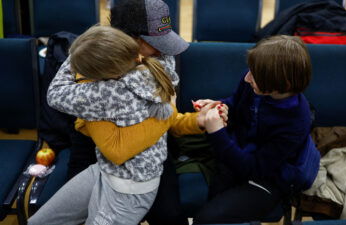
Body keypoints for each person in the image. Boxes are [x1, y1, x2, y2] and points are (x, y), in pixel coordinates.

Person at [28, 25, 226, 225]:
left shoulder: (103, 93)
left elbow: (56, 95)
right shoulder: (155, 68)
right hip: (105, 170)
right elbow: (161, 121)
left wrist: (78, 55)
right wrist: (193, 119)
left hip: (129, 188)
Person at [52, 0, 196, 224]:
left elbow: (118, 148)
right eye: (153, 41)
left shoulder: (161, 57)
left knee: (169, 215)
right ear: (127, 39)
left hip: (149, 150)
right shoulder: (96, 50)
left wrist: (90, 107)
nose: (162, 48)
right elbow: (56, 95)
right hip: (93, 151)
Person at [192, 35, 321, 224]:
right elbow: (236, 103)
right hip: (237, 155)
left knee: (207, 219)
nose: (247, 77)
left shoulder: (296, 121)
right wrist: (219, 106)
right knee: (210, 206)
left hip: (267, 179)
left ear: (282, 85)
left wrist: (217, 133)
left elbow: (254, 168)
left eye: (254, 75)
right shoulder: (258, 80)